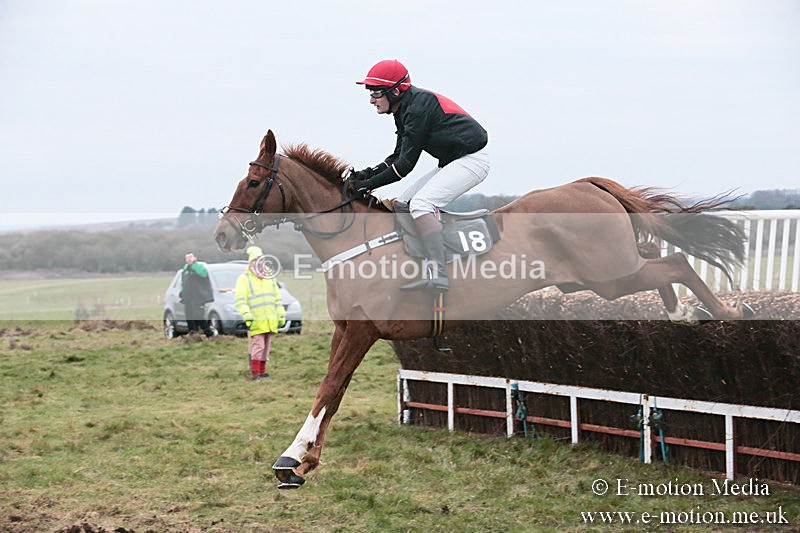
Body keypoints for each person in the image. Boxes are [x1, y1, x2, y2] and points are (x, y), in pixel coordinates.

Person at [349, 59, 490, 292]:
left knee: (422, 204)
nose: (371, 100)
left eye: (375, 93)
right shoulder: (403, 108)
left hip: (472, 161)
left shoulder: (417, 108)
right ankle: (424, 260)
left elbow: (404, 167)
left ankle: (439, 273)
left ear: (395, 91)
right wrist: (367, 175)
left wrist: (368, 185)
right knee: (403, 204)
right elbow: (397, 156)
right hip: (453, 161)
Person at [234, 246, 286, 380]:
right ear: (251, 262)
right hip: (256, 320)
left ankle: (262, 372)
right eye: (256, 260)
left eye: (261, 259)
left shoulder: (269, 277)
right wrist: (246, 314)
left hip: (270, 319)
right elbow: (240, 299)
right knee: (258, 347)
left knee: (266, 348)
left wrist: (281, 314)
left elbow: (277, 298)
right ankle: (255, 373)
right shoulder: (244, 278)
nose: (259, 262)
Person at [180, 252, 215, 337]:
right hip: (188, 297)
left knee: (198, 316)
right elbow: (183, 283)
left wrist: (193, 267)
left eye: (190, 257)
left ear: (195, 258)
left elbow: (203, 275)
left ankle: (209, 334)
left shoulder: (200, 267)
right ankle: (193, 334)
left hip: (198, 296)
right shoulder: (185, 270)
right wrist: (182, 291)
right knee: (189, 316)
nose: (189, 259)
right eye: (187, 258)